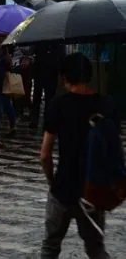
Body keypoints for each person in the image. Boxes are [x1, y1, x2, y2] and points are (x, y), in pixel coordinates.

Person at [40, 53, 114, 259]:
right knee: (96, 248)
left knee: (50, 247)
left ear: (65, 78)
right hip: (92, 191)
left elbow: (45, 154)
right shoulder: (105, 105)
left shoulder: (57, 105)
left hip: (63, 188)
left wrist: (52, 182)